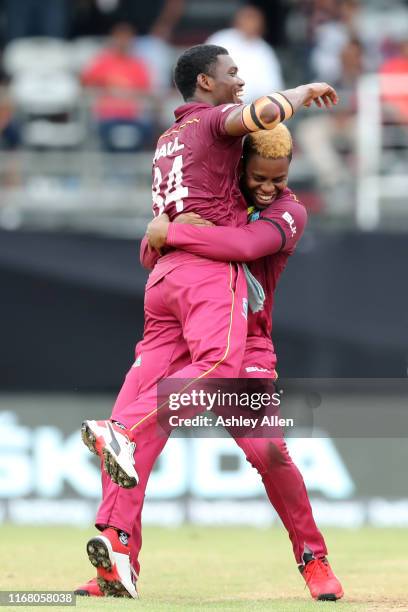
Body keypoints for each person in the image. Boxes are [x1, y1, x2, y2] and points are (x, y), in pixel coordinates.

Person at [77, 125, 343, 602]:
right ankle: (117, 563)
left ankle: (314, 558)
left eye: (278, 178)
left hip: (247, 346)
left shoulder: (290, 210)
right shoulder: (212, 198)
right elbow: (148, 254)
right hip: (182, 342)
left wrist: (174, 231)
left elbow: (242, 248)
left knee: (270, 454)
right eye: (259, 176)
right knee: (127, 447)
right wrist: (167, 233)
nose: (268, 187)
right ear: (238, 167)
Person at [81, 44, 337, 488]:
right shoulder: (215, 122)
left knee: (140, 408)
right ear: (205, 81)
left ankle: (117, 540)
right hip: (207, 279)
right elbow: (264, 113)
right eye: (232, 72)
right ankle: (122, 431)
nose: (240, 81)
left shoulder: (166, 143)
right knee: (216, 367)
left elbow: (152, 244)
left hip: (162, 280)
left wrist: (167, 233)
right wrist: (304, 89)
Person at [81, 22, 153, 152]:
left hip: (132, 118)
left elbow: (146, 92)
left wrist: (124, 92)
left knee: (148, 131)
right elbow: (86, 83)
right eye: (120, 38)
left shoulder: (138, 65)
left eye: (126, 38)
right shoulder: (103, 61)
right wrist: (108, 87)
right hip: (107, 117)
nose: (123, 42)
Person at [206, 5, 284, 103]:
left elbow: (272, 87)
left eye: (254, 21)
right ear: (237, 22)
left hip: (251, 108)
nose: (250, 24)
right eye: (247, 19)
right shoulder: (221, 39)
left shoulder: (264, 50)